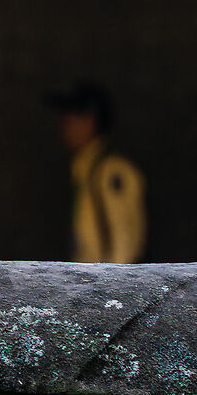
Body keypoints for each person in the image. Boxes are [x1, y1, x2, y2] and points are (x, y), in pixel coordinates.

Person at [48, 81, 146, 264]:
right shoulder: (85, 171)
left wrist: (114, 288)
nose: (63, 128)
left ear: (89, 122)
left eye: (69, 120)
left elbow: (124, 243)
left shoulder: (110, 171)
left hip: (106, 287)